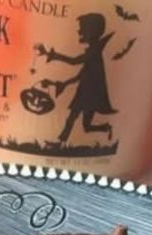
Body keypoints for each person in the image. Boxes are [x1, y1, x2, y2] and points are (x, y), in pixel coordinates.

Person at [37, 13, 117, 145]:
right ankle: (105, 128)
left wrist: (54, 55)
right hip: (85, 91)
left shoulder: (94, 52)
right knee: (84, 125)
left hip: (90, 94)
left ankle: (60, 143)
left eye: (82, 28)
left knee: (74, 119)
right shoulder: (93, 51)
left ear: (92, 31)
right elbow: (81, 75)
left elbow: (74, 62)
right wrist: (64, 83)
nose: (79, 31)